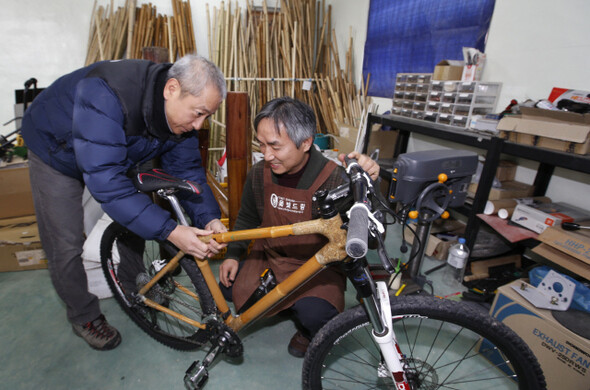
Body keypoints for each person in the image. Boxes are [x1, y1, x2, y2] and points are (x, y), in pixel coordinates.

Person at [21, 54, 227, 351]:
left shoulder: (181, 114)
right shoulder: (106, 95)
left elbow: (188, 173)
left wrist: (208, 217)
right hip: (56, 149)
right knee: (64, 243)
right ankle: (84, 316)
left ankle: (135, 288)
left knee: (136, 222)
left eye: (207, 116)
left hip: (118, 148)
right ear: (171, 89)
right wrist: (171, 231)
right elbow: (109, 185)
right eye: (197, 113)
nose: (199, 125)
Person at [218, 97, 379, 358]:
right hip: (269, 258)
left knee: (319, 318)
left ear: (306, 143)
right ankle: (284, 303)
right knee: (228, 287)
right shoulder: (259, 173)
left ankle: (305, 326)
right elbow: (247, 217)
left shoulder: (336, 180)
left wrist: (368, 187)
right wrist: (233, 255)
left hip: (316, 268)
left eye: (275, 146)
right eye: (261, 143)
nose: (266, 154)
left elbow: (367, 236)